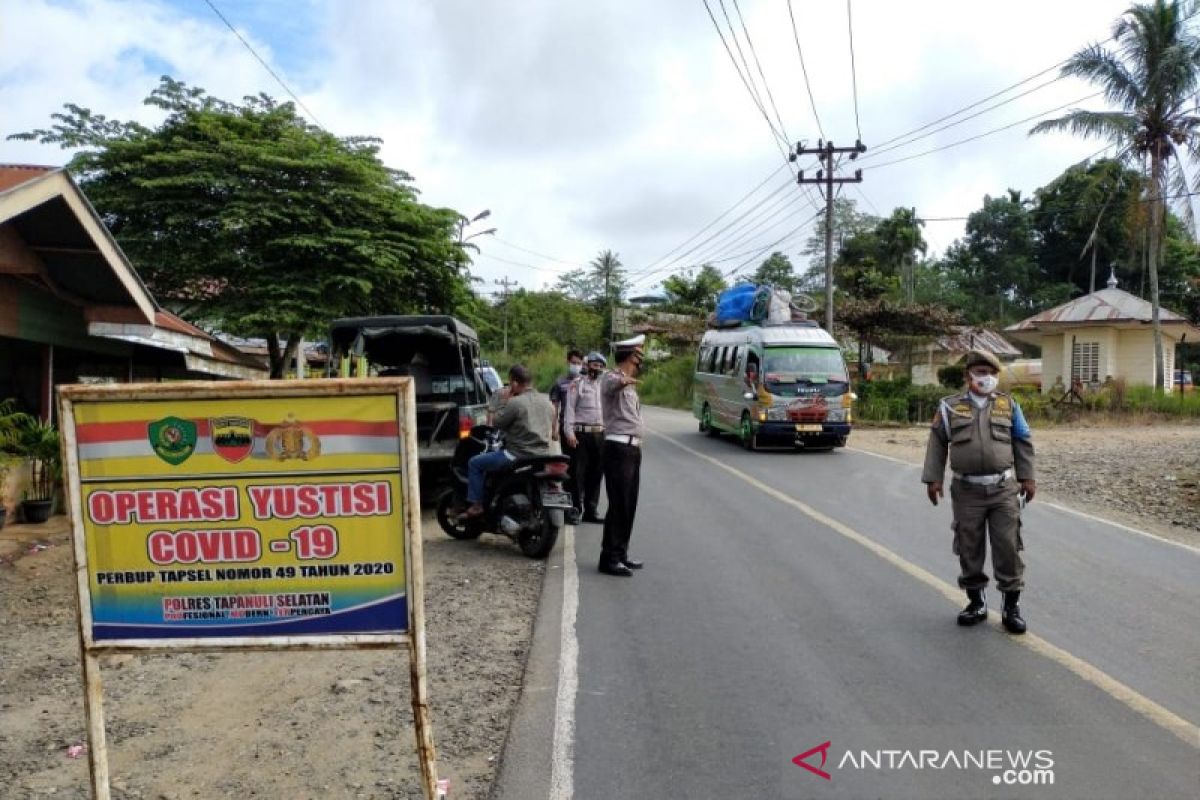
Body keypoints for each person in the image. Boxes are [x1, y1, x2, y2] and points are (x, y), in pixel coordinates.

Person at [922, 349, 1036, 634]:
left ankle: (1011, 607)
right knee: (969, 545)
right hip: (966, 490)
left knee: (1008, 546)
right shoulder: (949, 407)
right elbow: (937, 443)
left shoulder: (1008, 405)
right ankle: (976, 602)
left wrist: (1028, 477)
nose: (987, 378)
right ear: (968, 375)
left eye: (992, 373)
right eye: (981, 372)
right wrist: (933, 479)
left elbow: (1022, 441)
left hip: (1003, 488)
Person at [460, 364, 553, 520]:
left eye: (510, 383)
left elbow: (496, 423)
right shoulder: (547, 401)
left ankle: (476, 505)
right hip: (543, 454)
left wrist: (504, 402)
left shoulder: (515, 403)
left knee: (475, 463)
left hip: (516, 455)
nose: (510, 387)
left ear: (515, 383)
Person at [598, 335, 646, 577]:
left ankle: (621, 553)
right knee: (618, 505)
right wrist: (622, 381)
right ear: (630, 357)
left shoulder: (630, 385)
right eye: (639, 355)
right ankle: (610, 558)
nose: (641, 360)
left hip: (632, 449)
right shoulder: (612, 377)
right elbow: (610, 385)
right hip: (618, 449)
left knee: (629, 505)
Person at [563, 352, 607, 523]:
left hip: (600, 433)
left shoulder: (603, 386)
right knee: (577, 474)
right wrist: (569, 432)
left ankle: (591, 510)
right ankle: (575, 510)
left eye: (601, 366)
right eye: (595, 365)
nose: (598, 369)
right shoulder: (577, 384)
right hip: (581, 434)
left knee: (596, 473)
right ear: (587, 365)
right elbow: (570, 410)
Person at [550, 348, 585, 523]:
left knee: (584, 470)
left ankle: (582, 505)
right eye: (574, 363)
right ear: (568, 362)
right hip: (567, 430)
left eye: (579, 363)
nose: (576, 366)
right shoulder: (560, 383)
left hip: (585, 431)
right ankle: (573, 508)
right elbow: (554, 408)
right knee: (571, 469)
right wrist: (554, 428)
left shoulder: (586, 382)